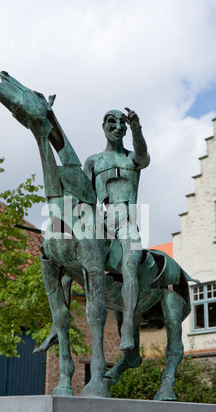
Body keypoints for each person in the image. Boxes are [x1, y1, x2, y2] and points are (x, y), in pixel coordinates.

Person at [83, 108, 150, 351]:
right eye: (113, 122)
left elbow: (144, 156)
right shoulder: (94, 161)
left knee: (130, 265)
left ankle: (128, 326)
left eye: (122, 123)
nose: (118, 127)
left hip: (128, 221)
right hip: (102, 221)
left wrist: (137, 128)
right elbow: (85, 199)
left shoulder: (133, 159)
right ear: (104, 126)